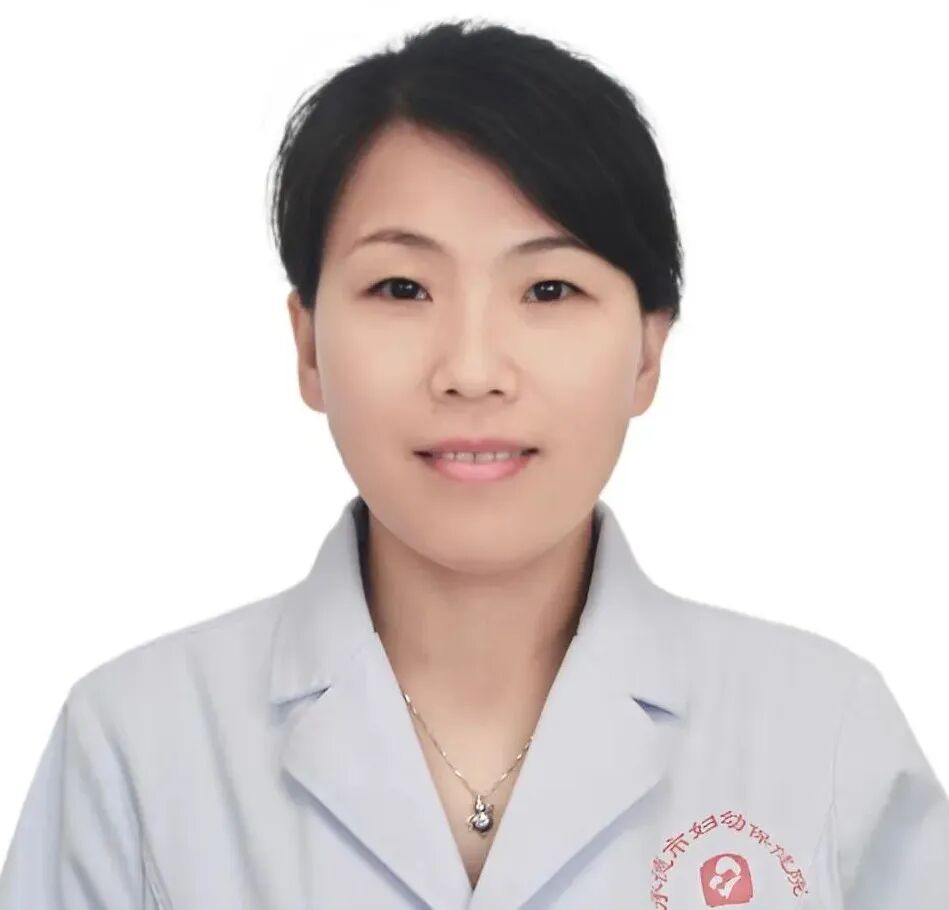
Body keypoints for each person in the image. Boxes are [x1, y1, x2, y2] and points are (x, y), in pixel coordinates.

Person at [1, 17, 947, 910]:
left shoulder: (823, 736)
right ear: (309, 347)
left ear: (647, 353)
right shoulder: (136, 746)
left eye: (549, 288)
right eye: (401, 286)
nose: (471, 370)